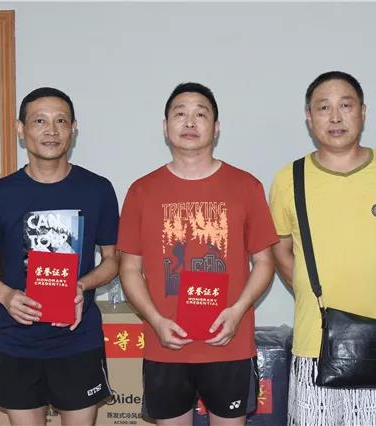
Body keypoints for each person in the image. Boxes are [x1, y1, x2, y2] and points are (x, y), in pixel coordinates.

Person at [117, 82, 278, 426]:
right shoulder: (142, 191)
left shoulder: (246, 186)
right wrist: (155, 320)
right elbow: (129, 268)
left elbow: (265, 261)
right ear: (165, 127)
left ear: (216, 128)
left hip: (229, 343)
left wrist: (237, 311)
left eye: (200, 114)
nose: (190, 122)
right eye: (180, 114)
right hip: (165, 345)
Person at [0, 87, 120, 425]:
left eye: (60, 121)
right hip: (16, 340)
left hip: (78, 340)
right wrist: (6, 295)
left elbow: (113, 260)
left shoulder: (98, 189)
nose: (51, 130)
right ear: (21, 130)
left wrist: (81, 286)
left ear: (73, 129)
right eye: (39, 121)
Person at [269, 71, 376, 425]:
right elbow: (280, 251)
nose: (335, 117)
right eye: (324, 108)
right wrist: (309, 286)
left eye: (345, 106)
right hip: (314, 344)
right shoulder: (289, 178)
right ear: (309, 117)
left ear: (363, 112)